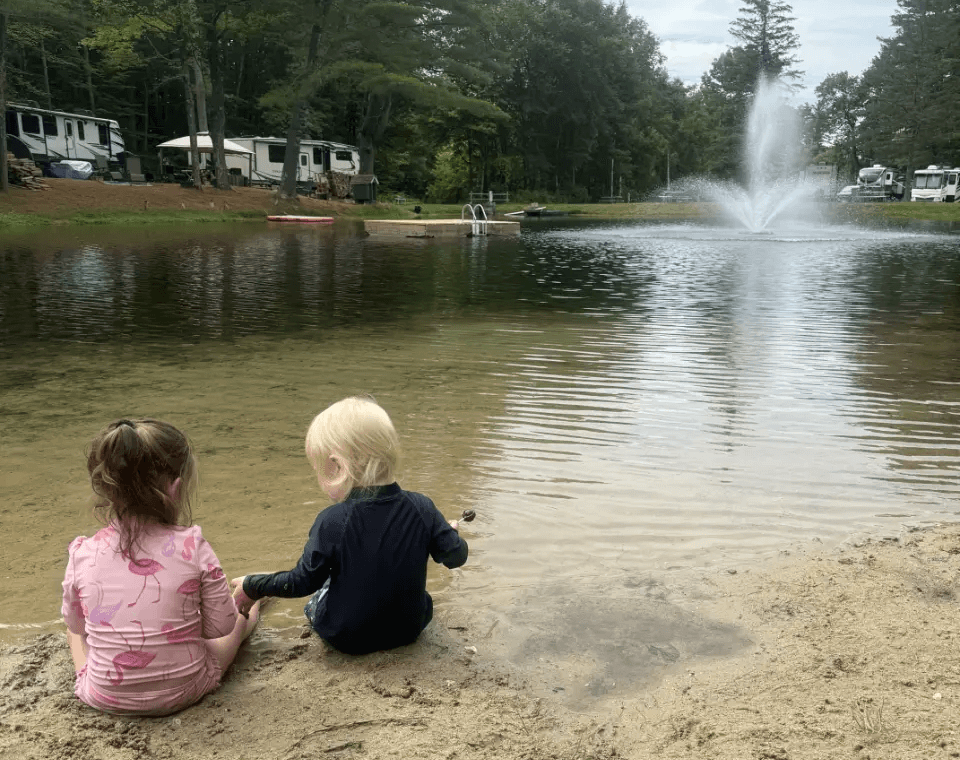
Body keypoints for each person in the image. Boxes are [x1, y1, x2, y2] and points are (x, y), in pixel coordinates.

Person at [232, 395, 468, 655]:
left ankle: (265, 584)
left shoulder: (332, 520)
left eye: (318, 469)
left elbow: (302, 583)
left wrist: (253, 586)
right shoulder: (422, 507)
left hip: (346, 637)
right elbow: (456, 556)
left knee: (322, 587)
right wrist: (450, 535)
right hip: (408, 630)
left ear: (338, 466)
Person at [61, 418, 262, 716]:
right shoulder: (192, 545)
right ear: (176, 488)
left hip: (104, 697)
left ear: (108, 490)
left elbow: (77, 625)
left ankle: (91, 679)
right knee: (237, 623)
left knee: (73, 632)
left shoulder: (82, 552)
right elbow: (219, 627)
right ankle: (254, 597)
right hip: (186, 689)